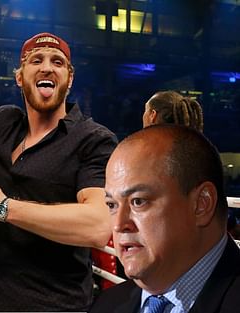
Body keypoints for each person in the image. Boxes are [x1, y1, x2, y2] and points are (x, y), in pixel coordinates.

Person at [0, 17, 118, 311]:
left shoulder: (93, 140)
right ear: (20, 76)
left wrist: (3, 208)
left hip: (51, 305)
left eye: (58, 62)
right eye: (36, 60)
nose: (47, 67)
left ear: (69, 79)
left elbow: (97, 226)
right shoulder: (1, 122)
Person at [89, 125, 240, 313]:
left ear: (202, 204)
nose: (119, 225)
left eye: (138, 201)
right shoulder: (106, 305)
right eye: (112, 205)